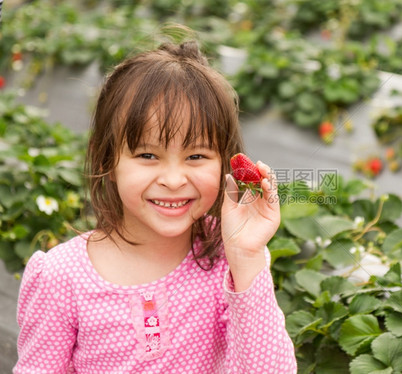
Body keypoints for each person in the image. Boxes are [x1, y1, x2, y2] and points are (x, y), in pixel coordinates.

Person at [14, 28, 297, 373]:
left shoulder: (227, 260)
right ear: (107, 161)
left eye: (196, 156)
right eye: (148, 155)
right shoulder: (61, 278)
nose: (174, 180)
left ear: (224, 161)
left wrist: (247, 255)